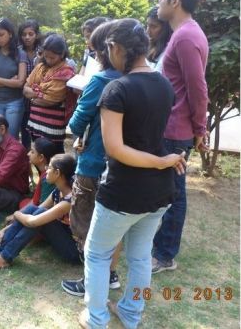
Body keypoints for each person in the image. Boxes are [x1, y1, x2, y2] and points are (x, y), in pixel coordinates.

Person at [78, 18, 186, 329]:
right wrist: (160, 162)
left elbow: (116, 148)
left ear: (116, 47)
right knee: (139, 257)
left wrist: (159, 161)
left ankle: (96, 319)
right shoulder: (164, 84)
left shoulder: (118, 89)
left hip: (124, 192)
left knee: (97, 254)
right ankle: (131, 314)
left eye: (107, 49)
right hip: (158, 193)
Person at [152, 0, 209, 274]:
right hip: (168, 127)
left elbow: (198, 89)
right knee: (166, 190)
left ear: (175, 1)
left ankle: (164, 255)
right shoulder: (182, 33)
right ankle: (158, 247)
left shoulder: (187, 36)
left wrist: (200, 129)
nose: (158, 2)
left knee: (173, 193)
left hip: (175, 131)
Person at [61, 21, 123, 297]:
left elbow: (76, 123)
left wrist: (82, 94)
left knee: (84, 222)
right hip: (122, 166)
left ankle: (91, 280)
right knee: (113, 225)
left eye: (94, 51)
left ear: (105, 50)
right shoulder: (136, 77)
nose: (93, 56)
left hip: (94, 161)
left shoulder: (99, 81)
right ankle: (110, 275)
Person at [0, 153, 83, 274]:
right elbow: (35, 210)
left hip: (74, 251)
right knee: (33, 209)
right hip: (62, 236)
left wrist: (16, 214)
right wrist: (6, 229)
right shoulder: (58, 191)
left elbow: (32, 221)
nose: (46, 170)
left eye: (50, 167)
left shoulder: (69, 200)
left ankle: (5, 257)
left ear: (57, 173)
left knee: (36, 215)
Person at [23, 34, 75, 154]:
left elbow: (52, 99)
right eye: (46, 56)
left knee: (54, 156)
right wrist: (41, 93)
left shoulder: (66, 71)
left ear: (62, 55)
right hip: (35, 120)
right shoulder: (40, 67)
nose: (49, 60)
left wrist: (34, 95)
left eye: (52, 57)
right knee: (38, 154)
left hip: (53, 124)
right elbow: (25, 89)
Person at [0, 18, 27, 139]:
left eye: (1, 34)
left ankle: (10, 159)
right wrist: (10, 81)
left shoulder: (20, 54)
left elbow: (20, 83)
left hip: (14, 103)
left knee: (11, 138)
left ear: (10, 33)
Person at [18, 19, 41, 150]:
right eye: (24, 34)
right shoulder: (17, 51)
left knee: (38, 135)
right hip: (20, 98)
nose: (27, 37)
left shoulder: (43, 50)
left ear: (36, 34)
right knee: (24, 132)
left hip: (39, 98)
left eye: (30, 34)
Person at [146, 6, 173, 73]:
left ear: (165, 29)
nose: (148, 31)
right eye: (147, 25)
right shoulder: (148, 48)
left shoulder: (168, 53)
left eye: (153, 27)